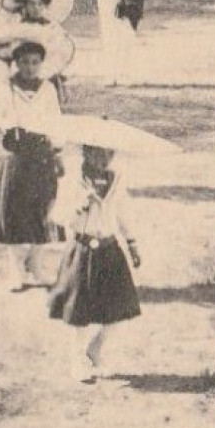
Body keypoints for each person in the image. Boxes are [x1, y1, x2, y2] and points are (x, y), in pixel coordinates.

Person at [46, 144, 141, 382]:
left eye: (111, 153)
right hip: (83, 248)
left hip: (109, 249)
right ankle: (76, 360)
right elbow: (58, 216)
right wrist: (80, 203)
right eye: (99, 153)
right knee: (79, 311)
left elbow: (123, 213)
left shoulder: (115, 180)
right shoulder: (74, 181)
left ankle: (96, 347)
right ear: (86, 153)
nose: (105, 159)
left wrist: (131, 243)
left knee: (120, 307)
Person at [0, 40, 64, 291]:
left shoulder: (48, 89)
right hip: (15, 155)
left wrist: (57, 152)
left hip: (41, 154)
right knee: (15, 213)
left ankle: (36, 265)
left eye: (35, 62)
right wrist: (6, 122)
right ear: (16, 63)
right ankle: (15, 270)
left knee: (43, 210)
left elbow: (56, 122)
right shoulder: (6, 89)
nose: (30, 67)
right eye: (25, 62)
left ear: (41, 64)